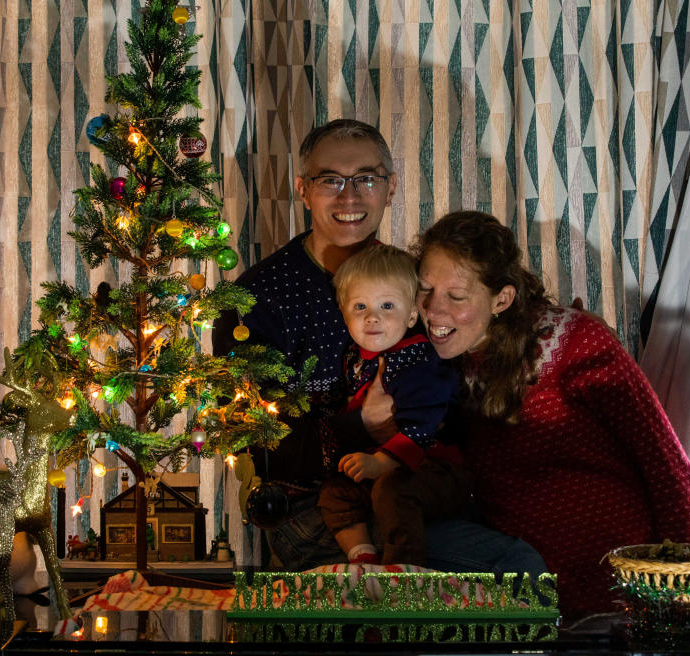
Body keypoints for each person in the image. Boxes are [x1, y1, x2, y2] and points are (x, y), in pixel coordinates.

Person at [214, 120, 546, 579]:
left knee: (518, 567)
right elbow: (252, 437)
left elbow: (474, 322)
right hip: (315, 505)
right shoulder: (258, 300)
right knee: (490, 574)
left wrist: (552, 321)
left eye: (366, 178)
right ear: (303, 190)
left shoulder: (410, 280)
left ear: (389, 189)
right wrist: (359, 427)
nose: (349, 197)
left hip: (410, 483)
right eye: (330, 179)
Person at [410, 210, 690, 619]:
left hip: (616, 587)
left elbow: (670, 470)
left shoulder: (579, 343)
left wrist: (677, 585)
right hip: (519, 587)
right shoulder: (434, 361)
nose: (433, 310)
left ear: (502, 299)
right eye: (425, 290)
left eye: (456, 297)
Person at [318, 244, 469, 566]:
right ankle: (363, 557)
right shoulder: (353, 357)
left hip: (437, 467)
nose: (372, 317)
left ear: (412, 314)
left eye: (387, 306)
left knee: (391, 491)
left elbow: (425, 424)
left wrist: (381, 462)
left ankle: (402, 568)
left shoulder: (416, 359)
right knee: (334, 493)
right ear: (344, 314)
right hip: (387, 462)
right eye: (360, 306)